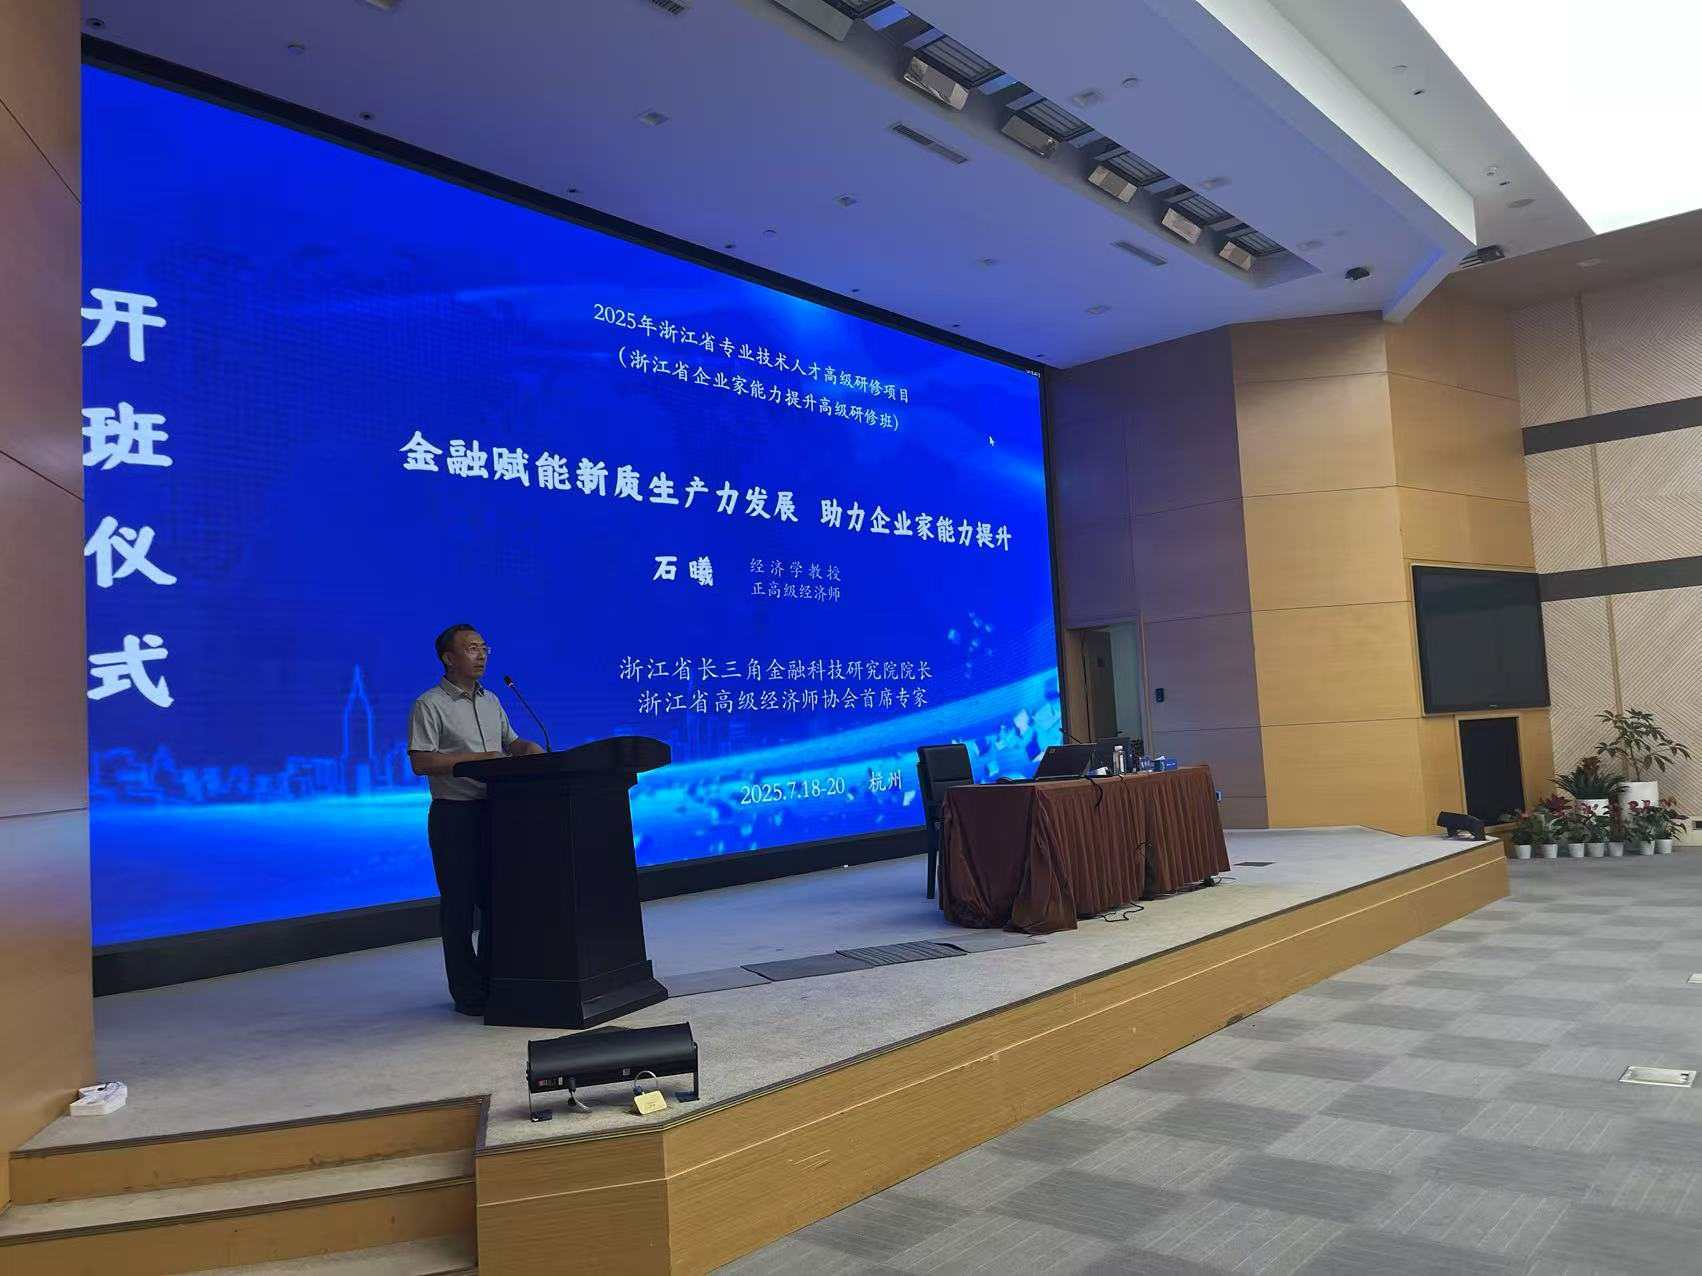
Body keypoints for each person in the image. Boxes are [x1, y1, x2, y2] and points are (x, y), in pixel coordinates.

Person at [408, 624, 543, 1015]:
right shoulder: (429, 704)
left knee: (498, 900)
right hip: (455, 814)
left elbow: (509, 742)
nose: (481, 655)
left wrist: (527, 747)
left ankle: (495, 980)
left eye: (484, 648)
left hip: (498, 811)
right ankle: (468, 993)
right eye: (471, 648)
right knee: (460, 907)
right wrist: (478, 760)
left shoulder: (492, 699)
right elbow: (421, 761)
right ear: (449, 658)